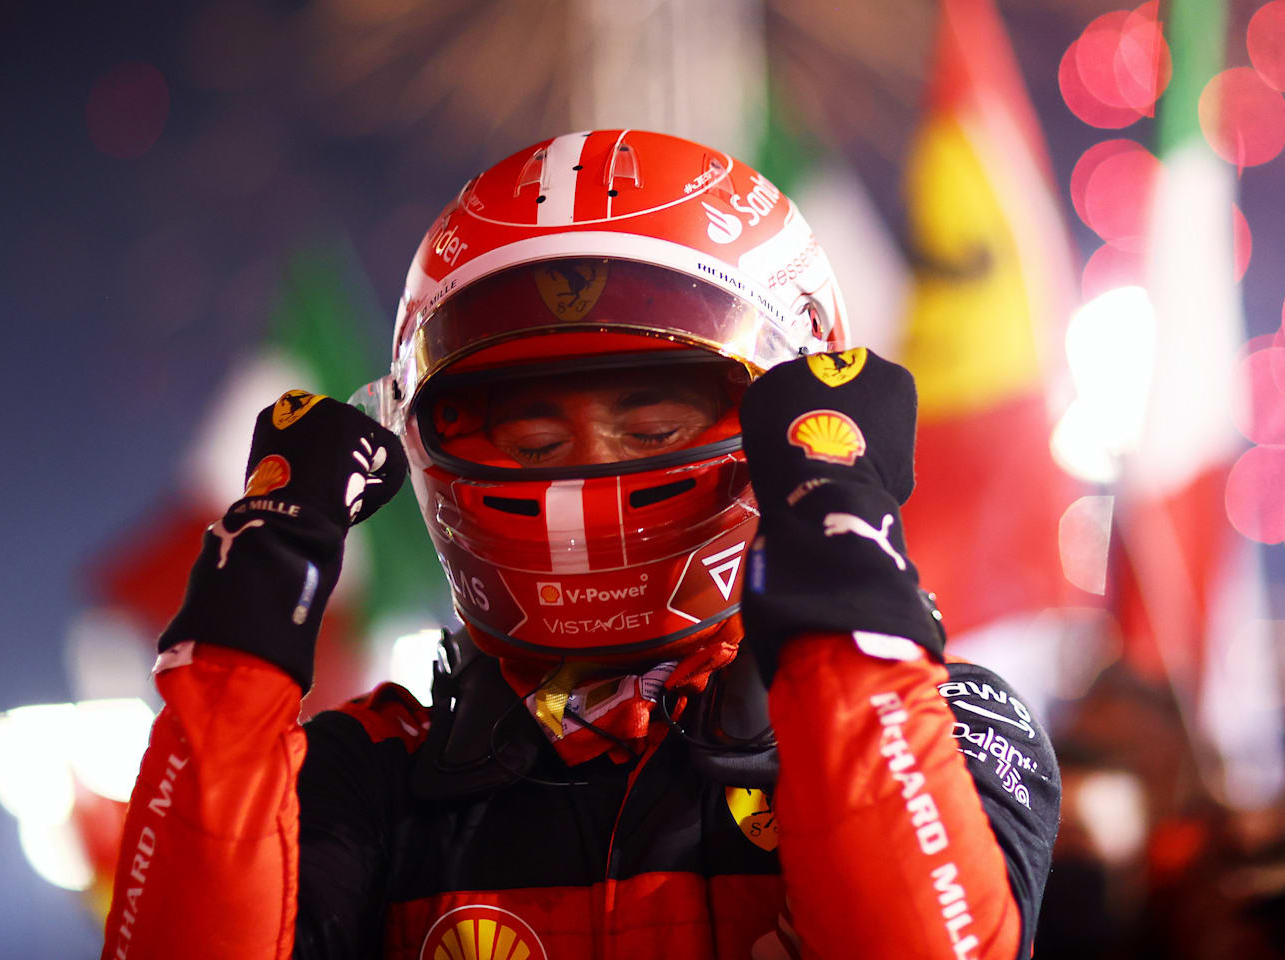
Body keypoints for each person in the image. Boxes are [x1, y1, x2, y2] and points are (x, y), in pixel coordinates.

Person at [101, 130, 1060, 960]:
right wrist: (247, 623)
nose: (589, 474)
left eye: (651, 431)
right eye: (533, 443)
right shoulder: (368, 773)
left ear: (796, 418)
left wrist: (842, 549)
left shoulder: (951, 717)